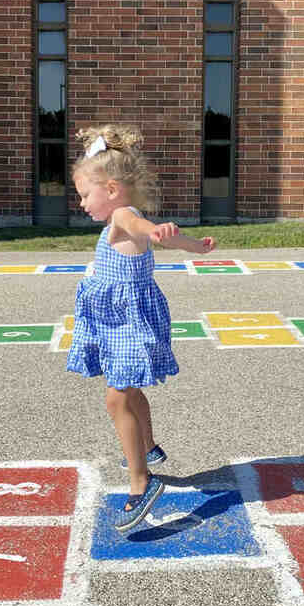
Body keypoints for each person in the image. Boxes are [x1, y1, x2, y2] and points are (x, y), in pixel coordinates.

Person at [66, 123, 217, 532]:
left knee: (117, 399)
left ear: (111, 189)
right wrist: (195, 246)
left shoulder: (122, 215)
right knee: (129, 392)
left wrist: (154, 231)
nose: (81, 203)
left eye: (84, 194)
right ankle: (147, 449)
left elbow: (140, 229)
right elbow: (166, 238)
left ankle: (141, 482)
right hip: (118, 318)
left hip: (127, 319)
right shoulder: (120, 218)